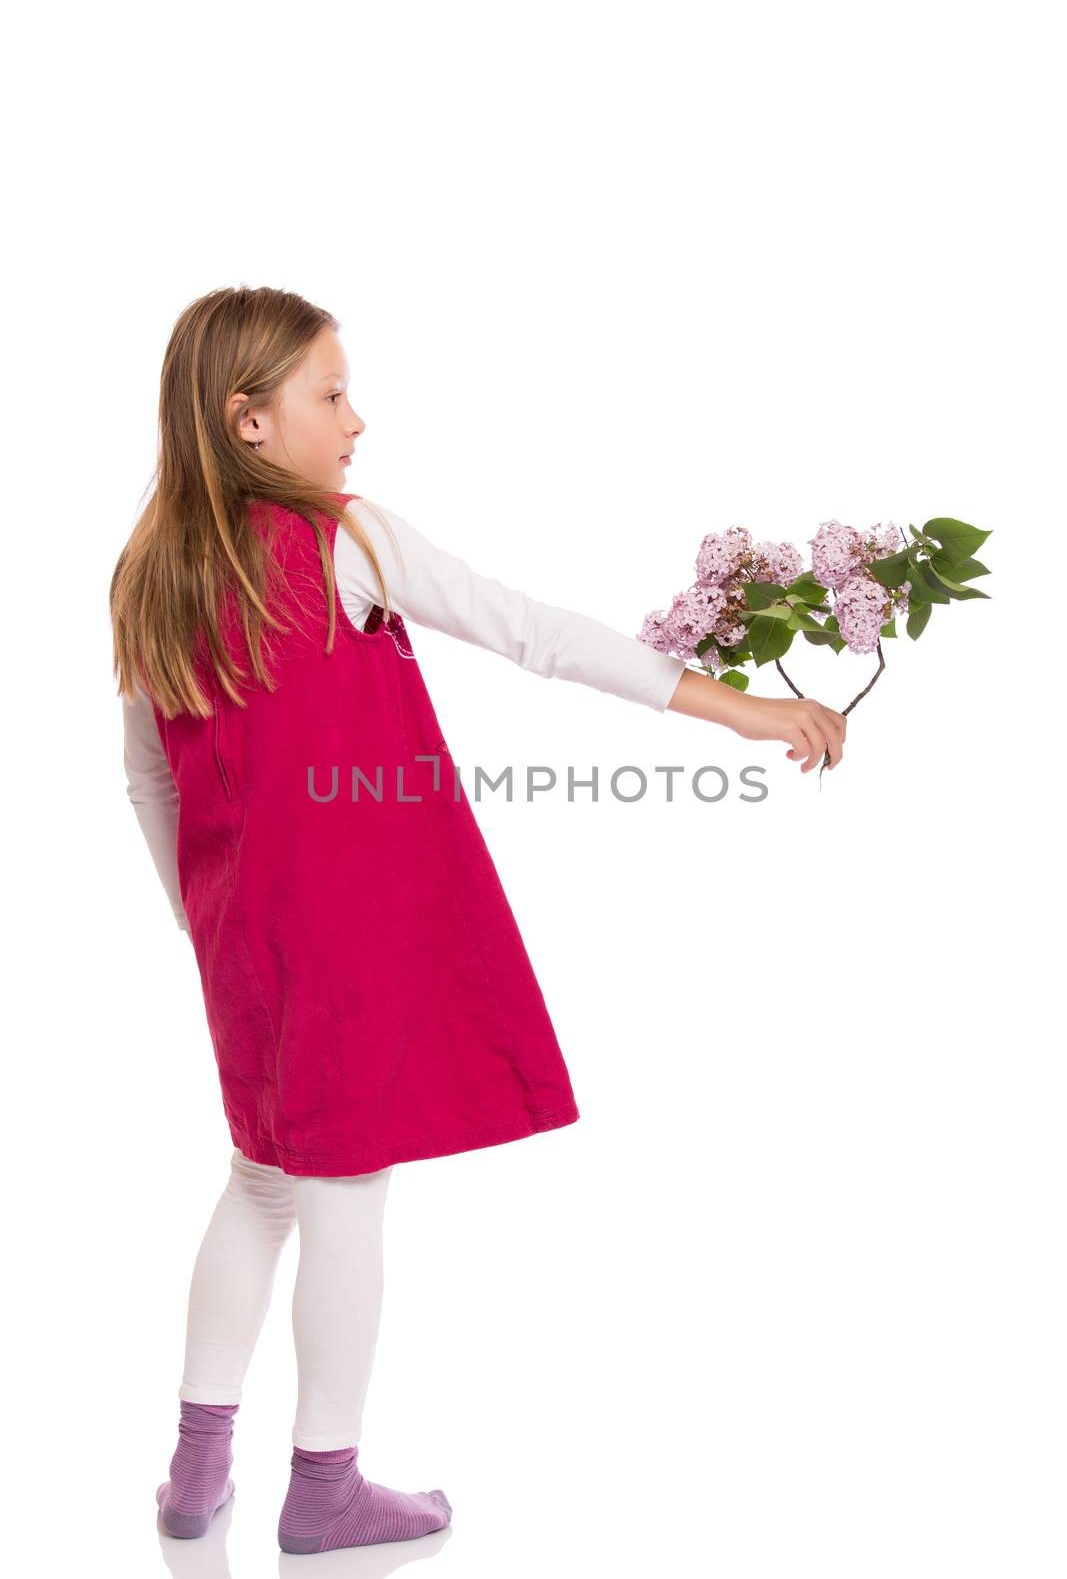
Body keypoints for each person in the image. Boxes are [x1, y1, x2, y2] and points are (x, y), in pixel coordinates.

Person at [111, 285, 846, 1557]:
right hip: (346, 942)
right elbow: (527, 631)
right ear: (246, 422)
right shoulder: (340, 539)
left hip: (246, 948)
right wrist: (736, 707)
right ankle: (325, 1482)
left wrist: (206, 924)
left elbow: (149, 778)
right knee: (344, 1195)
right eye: (330, 395)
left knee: (261, 1183)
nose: (357, 421)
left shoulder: (146, 573)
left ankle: (194, 1470)